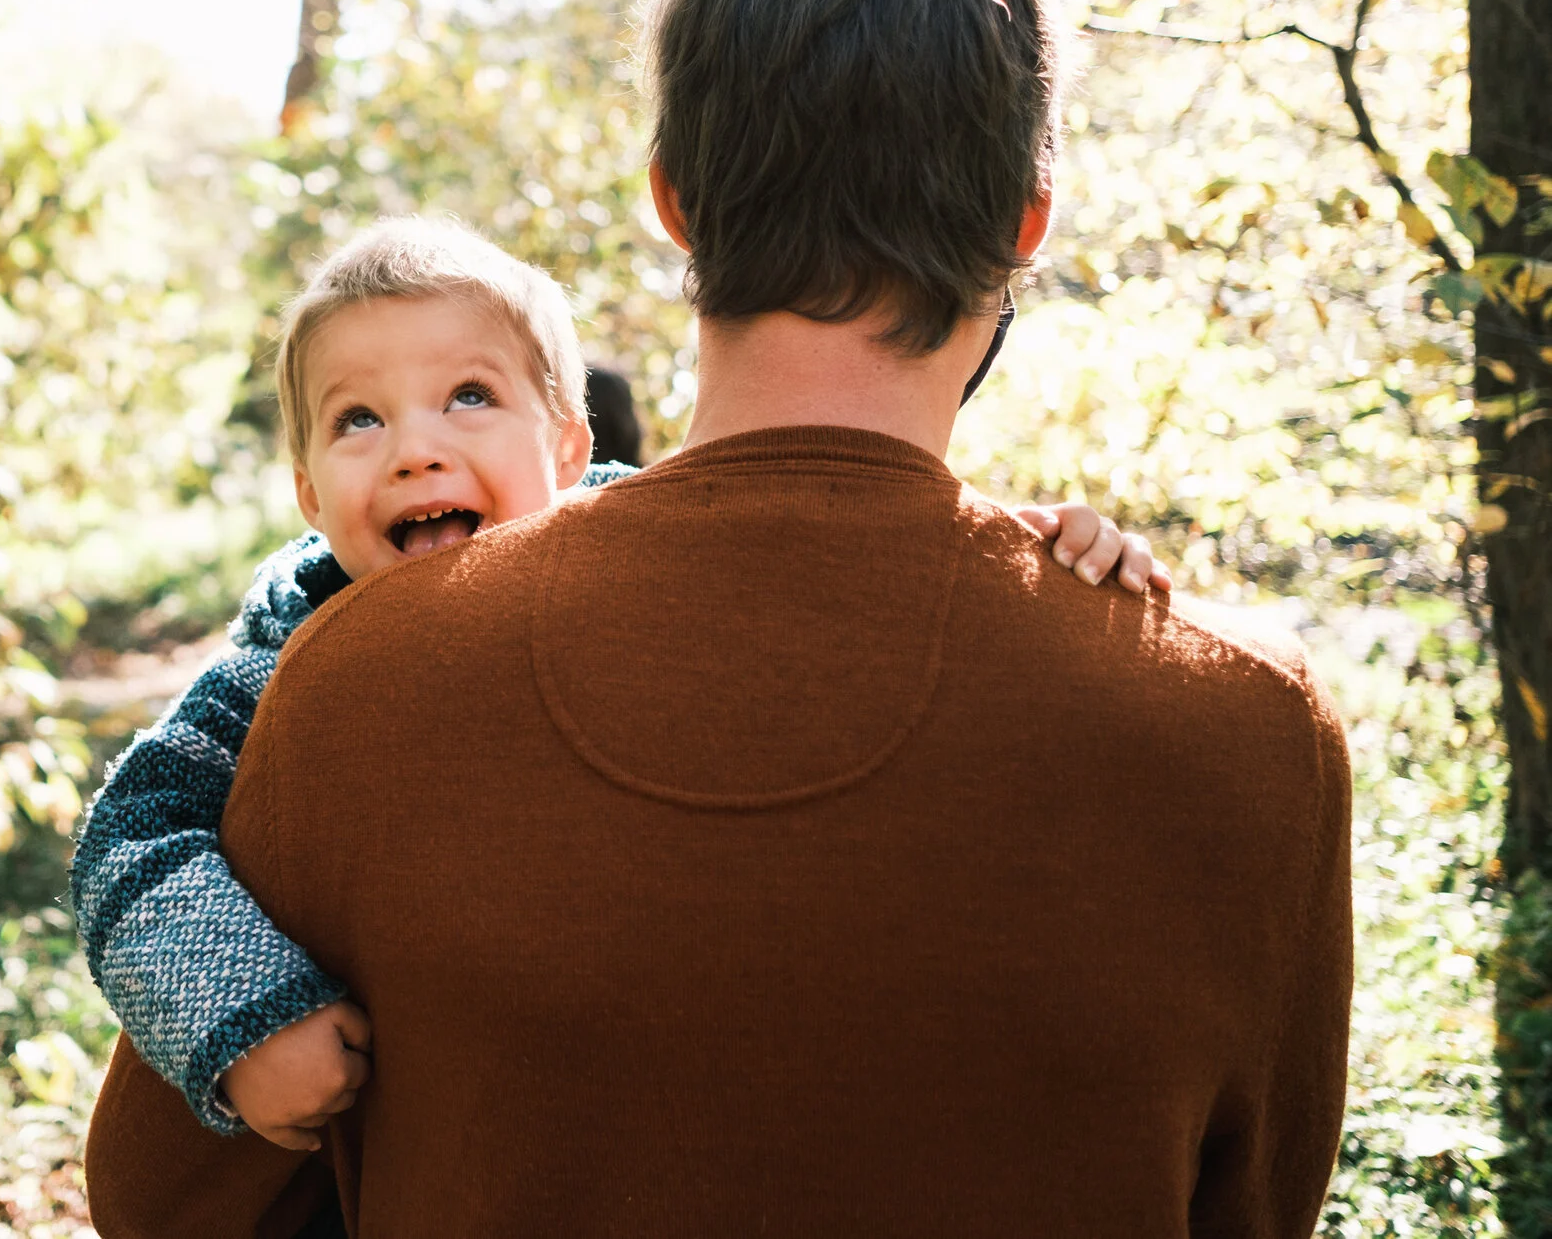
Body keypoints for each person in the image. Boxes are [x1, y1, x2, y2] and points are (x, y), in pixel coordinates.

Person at [80, 0, 1351, 1237]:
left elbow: (163, 1201)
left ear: (673, 201)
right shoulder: (1246, 725)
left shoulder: (357, 680)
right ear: (1028, 222)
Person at [71, 220, 1165, 1153]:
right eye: (358, 419)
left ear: (564, 439)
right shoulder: (279, 660)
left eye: (467, 396)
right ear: (308, 489)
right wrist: (243, 1015)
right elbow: (131, 834)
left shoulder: (658, 573)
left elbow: (822, 568)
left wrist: (1005, 546)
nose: (414, 449)